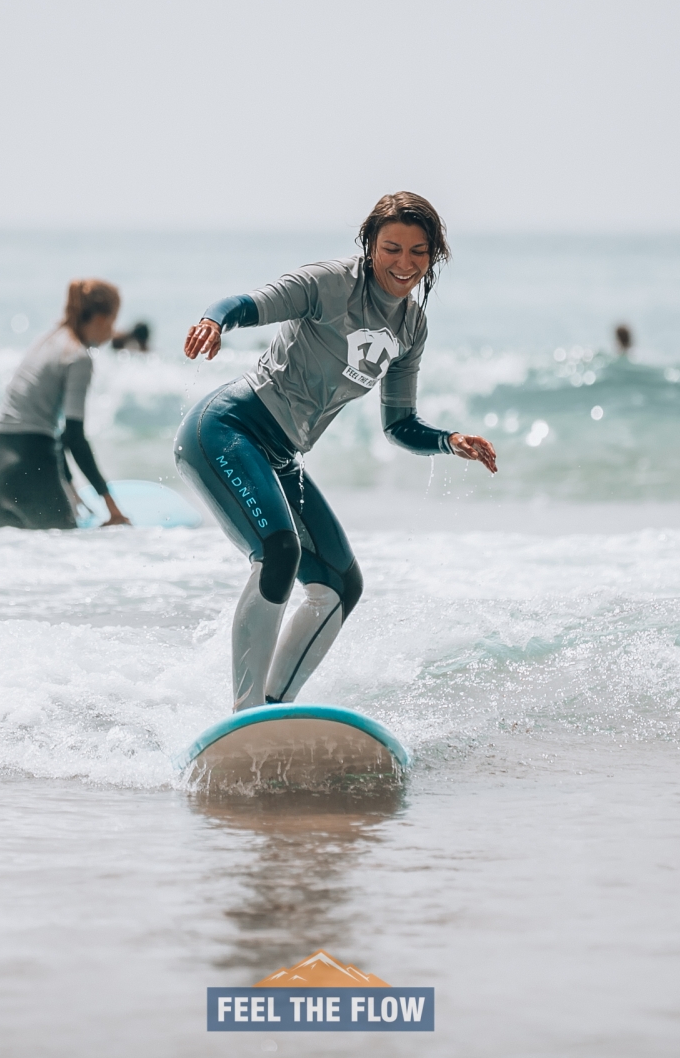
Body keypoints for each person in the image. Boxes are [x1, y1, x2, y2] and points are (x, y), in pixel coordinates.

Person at [177, 192, 498, 712]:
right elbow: (247, 304)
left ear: (433, 255)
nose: (404, 263)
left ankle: (275, 708)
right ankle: (245, 713)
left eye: (418, 251)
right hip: (226, 428)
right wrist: (214, 323)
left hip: (280, 453)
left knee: (339, 584)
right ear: (370, 245)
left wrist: (448, 440)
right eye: (392, 248)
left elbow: (399, 425)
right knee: (279, 552)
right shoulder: (330, 284)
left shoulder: (411, 327)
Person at [0, 279, 131, 530]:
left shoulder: (45, 342)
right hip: (29, 467)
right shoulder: (78, 356)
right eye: (113, 320)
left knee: (16, 554)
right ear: (101, 319)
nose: (113, 330)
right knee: (67, 552)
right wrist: (111, 505)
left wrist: (68, 486)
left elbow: (54, 434)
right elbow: (73, 438)